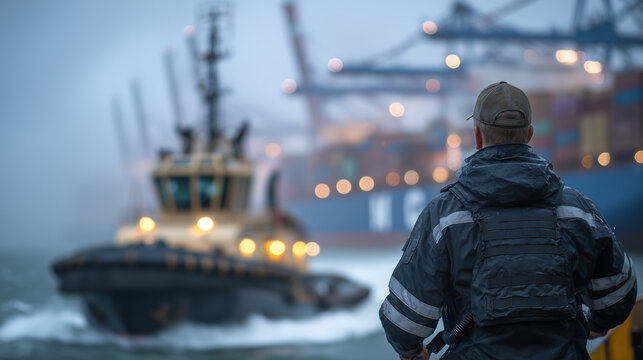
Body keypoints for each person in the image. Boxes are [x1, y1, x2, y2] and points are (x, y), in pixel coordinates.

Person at [379, 81, 637, 360]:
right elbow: (619, 293)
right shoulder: (578, 210)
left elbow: (404, 321)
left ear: (477, 135)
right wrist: (596, 325)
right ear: (529, 134)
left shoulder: (445, 215)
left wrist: (412, 351)